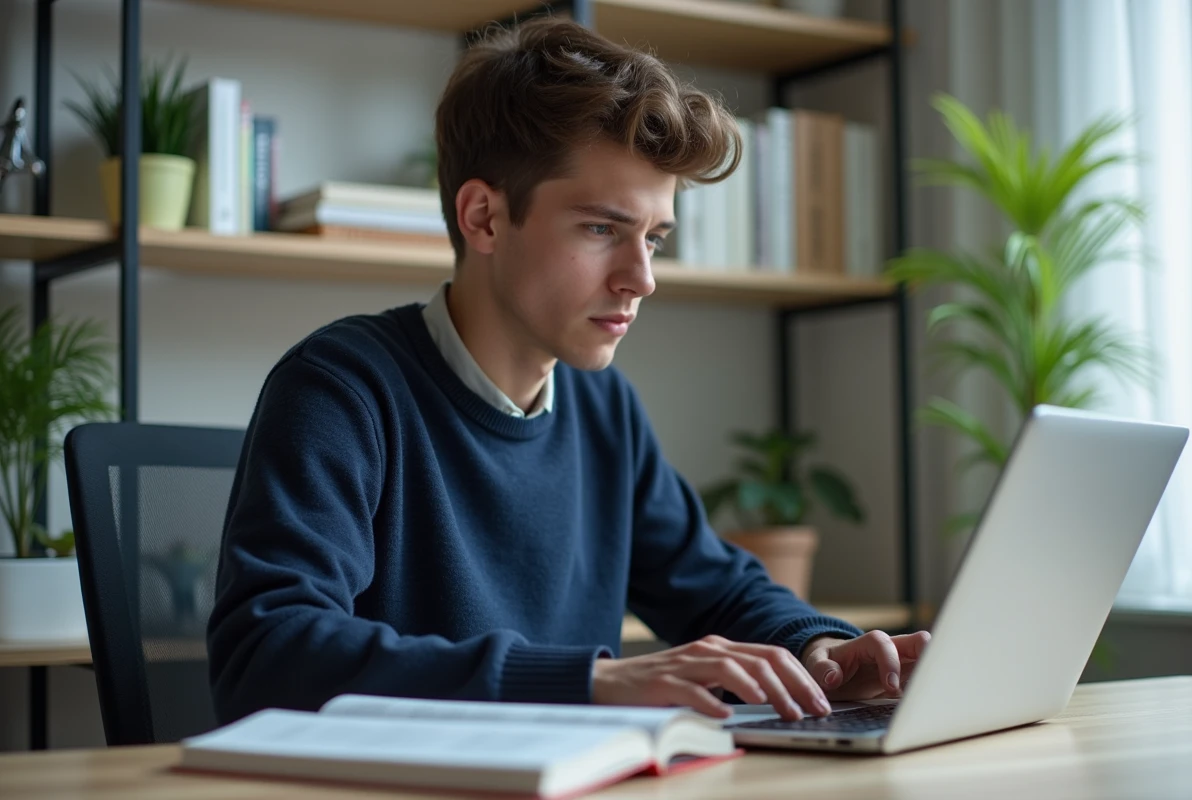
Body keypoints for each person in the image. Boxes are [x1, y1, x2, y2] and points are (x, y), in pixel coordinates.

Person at [206, 15, 931, 727]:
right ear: (484, 218)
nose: (641, 278)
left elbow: (717, 589)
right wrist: (592, 681)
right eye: (602, 229)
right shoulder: (342, 388)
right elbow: (268, 655)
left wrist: (824, 650)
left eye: (654, 238)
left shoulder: (602, 406)